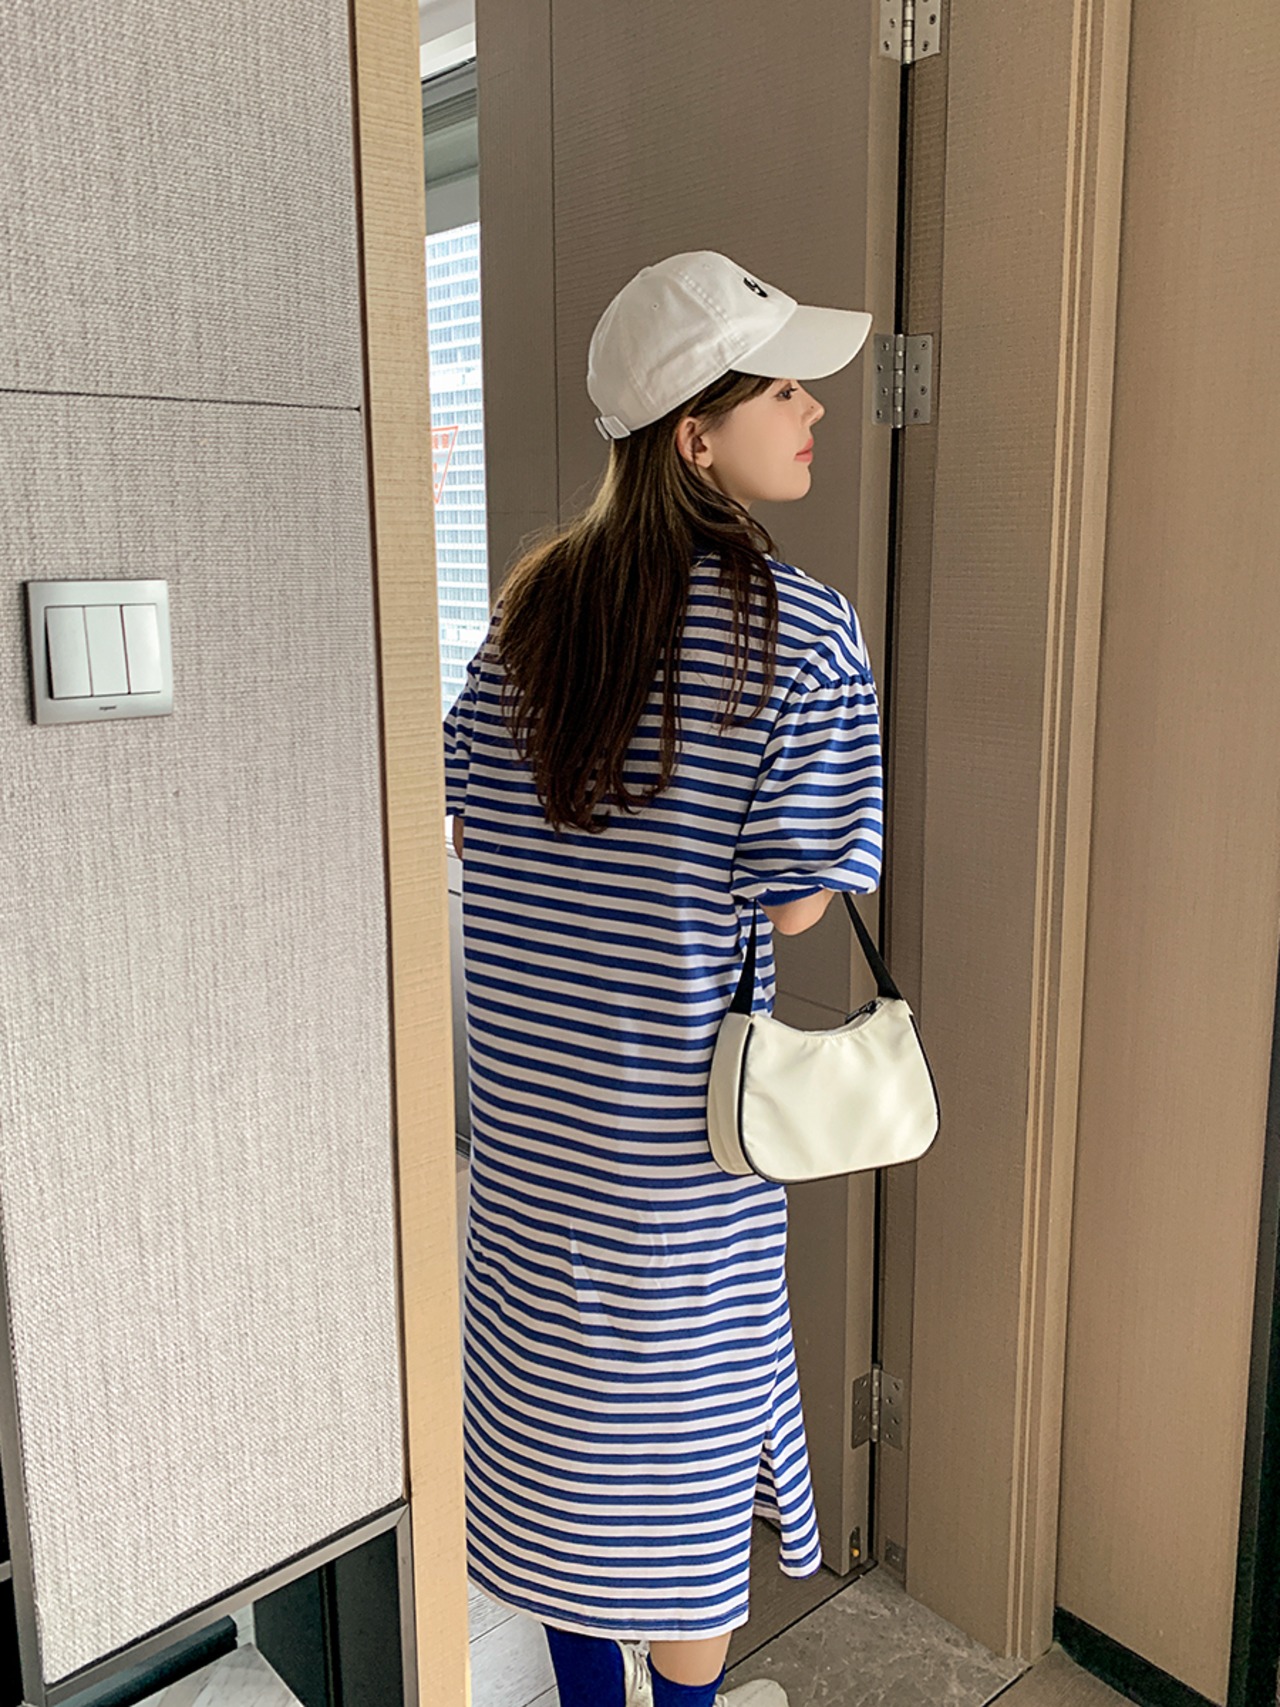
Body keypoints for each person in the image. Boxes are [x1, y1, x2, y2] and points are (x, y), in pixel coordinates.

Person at [443, 250, 883, 1707]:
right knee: (683, 1488)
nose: (813, 409)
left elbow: (470, 823)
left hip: (531, 1136)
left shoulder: (527, 616)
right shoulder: (798, 629)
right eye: (782, 390)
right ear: (695, 436)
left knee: (560, 1459)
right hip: (676, 1159)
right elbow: (803, 905)